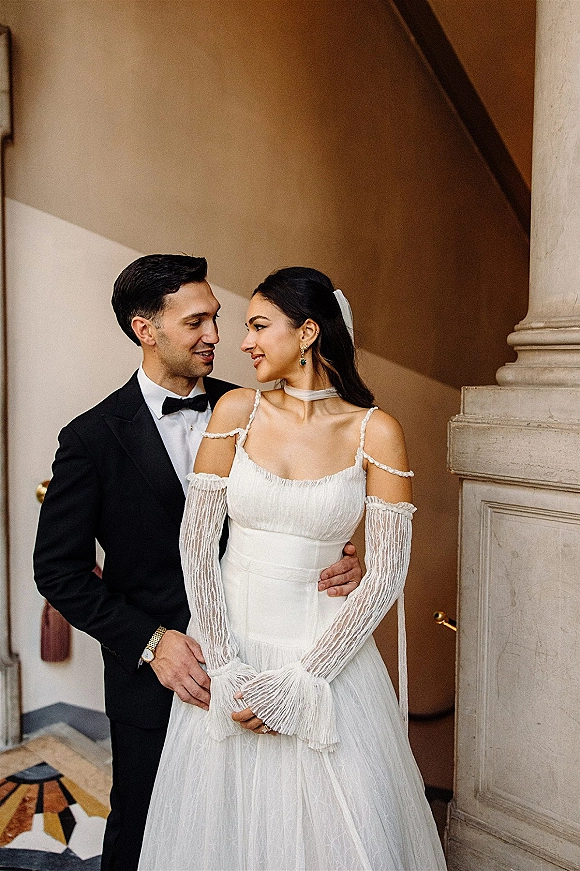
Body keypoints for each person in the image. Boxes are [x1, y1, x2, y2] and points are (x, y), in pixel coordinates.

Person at [32, 255, 363, 871]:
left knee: (258, 827)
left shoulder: (257, 407)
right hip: (160, 678)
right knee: (149, 825)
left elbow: (309, 496)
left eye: (216, 318)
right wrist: (153, 643)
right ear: (145, 329)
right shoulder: (92, 437)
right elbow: (58, 571)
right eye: (196, 322)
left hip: (265, 656)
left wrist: (344, 550)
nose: (217, 336)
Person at [139, 267, 447, 870]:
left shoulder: (376, 431)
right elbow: (198, 539)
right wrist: (225, 664)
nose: (244, 341)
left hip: (325, 655)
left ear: (307, 333)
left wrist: (300, 685)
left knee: (344, 830)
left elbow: (384, 574)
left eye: (258, 326)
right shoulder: (234, 409)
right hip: (229, 638)